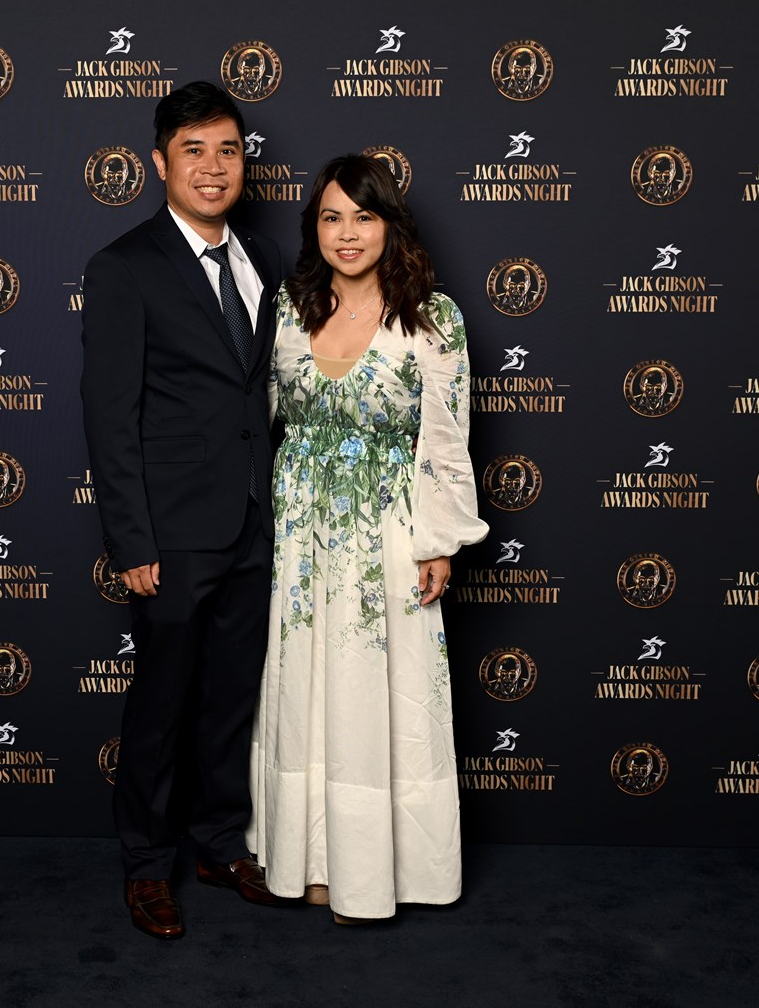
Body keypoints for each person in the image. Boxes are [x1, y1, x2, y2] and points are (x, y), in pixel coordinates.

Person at [246, 155, 488, 923]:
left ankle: (375, 874)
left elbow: (446, 438)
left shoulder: (432, 316)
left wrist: (438, 541)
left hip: (388, 532)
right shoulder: (287, 309)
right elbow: (255, 420)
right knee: (305, 693)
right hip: (298, 538)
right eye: (331, 217)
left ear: (390, 225)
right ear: (313, 228)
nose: (347, 234)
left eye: (363, 216)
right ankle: (311, 863)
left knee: (379, 696)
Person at [80, 81, 284, 940]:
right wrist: (132, 541)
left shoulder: (260, 259)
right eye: (193, 150)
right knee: (162, 705)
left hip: (252, 521)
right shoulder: (124, 266)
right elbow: (109, 415)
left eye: (227, 150)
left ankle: (216, 843)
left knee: (232, 697)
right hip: (168, 534)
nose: (213, 167)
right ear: (159, 163)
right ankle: (145, 866)